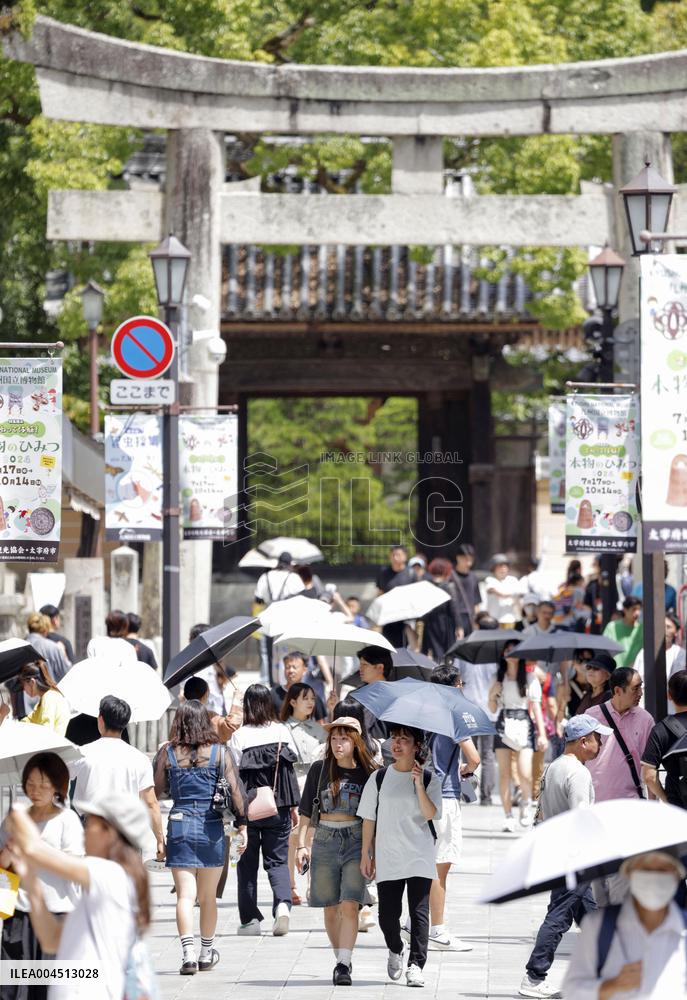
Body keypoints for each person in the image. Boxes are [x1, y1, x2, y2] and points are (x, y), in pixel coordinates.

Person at [6, 791, 152, 1000]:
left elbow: (34, 849)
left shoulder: (111, 875)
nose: (84, 832)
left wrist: (19, 814)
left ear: (108, 832)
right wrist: (29, 877)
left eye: (89, 824)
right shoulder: (103, 886)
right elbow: (52, 940)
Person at [518, 715, 611, 999]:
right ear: (583, 742)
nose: (601, 743)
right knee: (558, 917)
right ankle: (534, 977)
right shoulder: (579, 773)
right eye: (597, 738)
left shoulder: (554, 767)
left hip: (555, 851)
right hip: (572, 856)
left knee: (591, 916)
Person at [155, 700, 247, 974]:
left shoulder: (168, 753)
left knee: (185, 896)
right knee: (207, 897)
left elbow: (157, 790)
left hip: (180, 823)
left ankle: (188, 954)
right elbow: (236, 792)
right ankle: (207, 952)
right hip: (211, 826)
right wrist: (243, 825)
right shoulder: (220, 753)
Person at [358, 724, 442, 989]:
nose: (397, 743)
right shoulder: (379, 778)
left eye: (404, 739)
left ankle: (416, 965)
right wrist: (365, 854)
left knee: (419, 914)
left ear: (416, 746)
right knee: (387, 917)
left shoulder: (430, 779)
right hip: (388, 855)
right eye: (394, 738)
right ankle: (396, 947)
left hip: (419, 853)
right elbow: (368, 818)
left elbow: (430, 814)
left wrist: (418, 785)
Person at [297, 717, 378, 986]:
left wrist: (370, 852)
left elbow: (373, 817)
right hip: (324, 840)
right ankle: (341, 956)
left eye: (344, 738)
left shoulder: (369, 773)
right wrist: (301, 845)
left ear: (355, 741)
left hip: (356, 838)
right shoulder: (320, 770)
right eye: (333, 738)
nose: (337, 743)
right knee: (330, 908)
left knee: (350, 904)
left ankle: (343, 963)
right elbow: (306, 812)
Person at [0, 753, 84, 999]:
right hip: (18, 915)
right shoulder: (14, 820)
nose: (35, 791)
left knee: (49, 988)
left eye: (44, 785)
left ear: (58, 787)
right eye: (30, 784)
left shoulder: (67, 819)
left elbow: (74, 866)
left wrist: (35, 847)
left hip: (56, 914)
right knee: (12, 988)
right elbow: (2, 865)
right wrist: (9, 852)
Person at [563, 850, 687, 999]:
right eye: (646, 870)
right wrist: (612, 986)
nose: (654, 878)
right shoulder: (597, 926)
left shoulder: (683, 931)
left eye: (662, 870)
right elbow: (571, 991)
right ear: (629, 873)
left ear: (677, 875)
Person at [416, 663, 479, 952]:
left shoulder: (423, 715)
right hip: (447, 795)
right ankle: (436, 929)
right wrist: (466, 769)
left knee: (428, 861)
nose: (463, 689)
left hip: (423, 793)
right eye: (460, 684)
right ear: (454, 687)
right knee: (440, 867)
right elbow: (475, 758)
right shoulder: (455, 717)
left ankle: (415, 922)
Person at [229, 684, 300, 937]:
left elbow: (234, 778)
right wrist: (293, 806)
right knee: (277, 861)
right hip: (278, 805)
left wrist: (237, 817)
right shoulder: (282, 731)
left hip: (248, 810)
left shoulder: (240, 736)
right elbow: (289, 771)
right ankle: (282, 904)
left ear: (247, 705)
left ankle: (250, 921)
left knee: (246, 865)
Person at [69, 696, 164, 862]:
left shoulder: (82, 753)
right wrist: (160, 839)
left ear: (100, 719)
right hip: (127, 829)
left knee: (93, 882)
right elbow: (151, 803)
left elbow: (61, 779)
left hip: (91, 828)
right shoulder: (139, 759)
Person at [489, 647, 548, 831]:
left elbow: (536, 708)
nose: (511, 654)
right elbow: (491, 708)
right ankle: (508, 816)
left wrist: (542, 734)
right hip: (503, 722)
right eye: (507, 649)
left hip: (524, 722)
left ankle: (526, 802)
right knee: (504, 773)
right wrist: (493, 693)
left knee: (525, 772)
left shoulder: (530, 678)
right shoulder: (498, 678)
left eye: (515, 650)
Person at [280, 681, 327, 904]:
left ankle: (312, 883)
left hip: (314, 783)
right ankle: (290, 884)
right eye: (305, 698)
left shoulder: (320, 730)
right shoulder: (282, 729)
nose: (310, 702)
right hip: (291, 783)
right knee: (292, 838)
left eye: (312, 698)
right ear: (292, 701)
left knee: (312, 836)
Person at [585, 667, 654, 804]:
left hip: (630, 804)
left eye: (641, 687)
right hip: (595, 802)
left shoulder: (646, 720)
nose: (640, 693)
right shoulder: (591, 716)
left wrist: (653, 806)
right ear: (617, 691)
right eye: (635, 688)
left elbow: (650, 768)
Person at [458, 616, 498, 806]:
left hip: (468, 707)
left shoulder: (466, 648)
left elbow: (458, 678)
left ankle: (467, 794)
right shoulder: (497, 653)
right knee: (488, 754)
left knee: (467, 754)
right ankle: (487, 797)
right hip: (490, 710)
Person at [254, 552, 305, 685]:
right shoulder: (293, 577)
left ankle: (271, 682)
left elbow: (258, 599)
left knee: (268, 653)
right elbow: (301, 597)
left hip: (268, 617)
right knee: (287, 651)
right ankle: (286, 682)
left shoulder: (265, 577)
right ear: (290, 563)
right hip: (287, 618)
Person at [642, 669, 687, 807]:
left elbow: (649, 776)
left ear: (669, 695)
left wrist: (667, 800)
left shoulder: (660, 730)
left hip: (678, 806)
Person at [0, 662, 70, 736]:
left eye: (23, 685)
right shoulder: (49, 696)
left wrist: (3, 714)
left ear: (32, 682)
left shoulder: (49, 698)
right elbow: (27, 722)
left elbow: (46, 729)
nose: (24, 689)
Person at [634, 613, 685, 711]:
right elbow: (635, 677)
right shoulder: (644, 652)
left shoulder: (680, 653)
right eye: (662, 626)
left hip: (671, 709)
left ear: (676, 632)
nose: (664, 630)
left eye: (668, 627)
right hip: (643, 706)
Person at [376, 545, 414, 648]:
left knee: (405, 647)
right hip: (388, 616)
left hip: (406, 616)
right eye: (393, 555)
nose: (395, 557)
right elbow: (380, 592)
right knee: (388, 646)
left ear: (405, 557)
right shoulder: (384, 573)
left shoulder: (411, 573)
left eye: (398, 555)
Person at [272, 651, 327, 721]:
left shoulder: (313, 696)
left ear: (304, 670)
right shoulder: (274, 693)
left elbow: (321, 724)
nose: (291, 670)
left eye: (294, 667)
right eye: (287, 667)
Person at [421, 558, 458, 661]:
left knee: (434, 653)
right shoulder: (449, 586)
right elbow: (454, 608)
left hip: (430, 622)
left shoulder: (426, 585)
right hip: (446, 622)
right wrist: (458, 626)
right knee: (447, 654)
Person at [355, 646, 393, 742]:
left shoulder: (395, 697)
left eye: (365, 664)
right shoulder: (355, 694)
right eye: (360, 664)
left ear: (380, 667)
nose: (360, 668)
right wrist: (335, 708)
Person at [25, 613, 69, 685]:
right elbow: (66, 675)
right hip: (49, 694)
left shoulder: (18, 647)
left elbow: (11, 683)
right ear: (45, 630)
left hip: (24, 694)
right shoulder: (52, 647)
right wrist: (63, 653)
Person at [449, 543, 482, 638]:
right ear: (458, 558)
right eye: (465, 558)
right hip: (455, 616)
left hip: (470, 617)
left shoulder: (473, 576)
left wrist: (477, 620)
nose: (469, 561)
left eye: (471, 558)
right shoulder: (451, 576)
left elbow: (476, 601)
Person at [583, 557, 620, 636]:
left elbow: (618, 600)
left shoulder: (615, 583)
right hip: (596, 622)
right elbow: (586, 603)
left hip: (611, 621)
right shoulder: (592, 584)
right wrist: (595, 612)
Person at [603, 597, 643, 668]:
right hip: (614, 671)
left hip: (634, 672)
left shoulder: (642, 628)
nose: (637, 613)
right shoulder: (612, 627)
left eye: (639, 609)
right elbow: (605, 650)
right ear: (625, 610)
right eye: (634, 609)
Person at [484, 554, 522, 622]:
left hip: (511, 619)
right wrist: (513, 593)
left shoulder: (513, 580)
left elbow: (520, 596)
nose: (503, 568)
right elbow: (500, 594)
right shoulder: (490, 580)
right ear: (493, 568)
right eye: (500, 566)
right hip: (494, 620)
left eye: (505, 566)